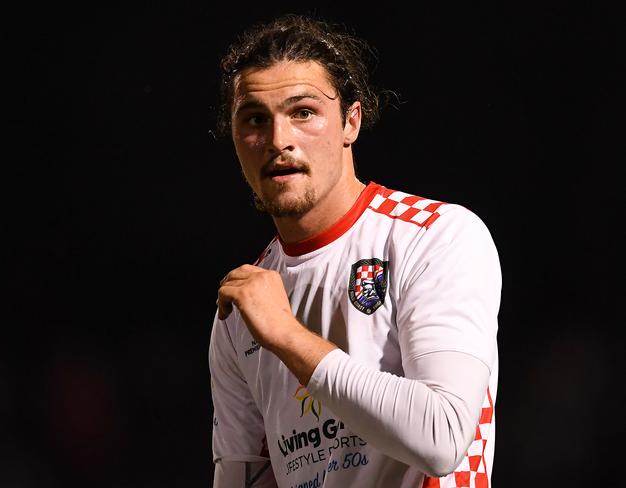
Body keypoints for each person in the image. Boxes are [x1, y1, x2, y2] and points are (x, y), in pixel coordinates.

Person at [208, 13, 501, 488]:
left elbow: (443, 438)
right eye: (256, 119)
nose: (279, 141)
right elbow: (242, 477)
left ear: (351, 121)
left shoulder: (435, 235)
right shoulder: (243, 304)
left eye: (303, 112)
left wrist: (286, 335)